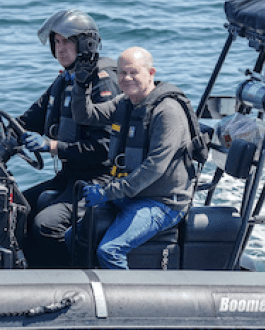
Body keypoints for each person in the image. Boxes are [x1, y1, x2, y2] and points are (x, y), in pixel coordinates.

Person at [12, 9, 120, 268]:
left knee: (45, 224)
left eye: (67, 41)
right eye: (57, 42)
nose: (61, 49)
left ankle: (71, 279)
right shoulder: (64, 82)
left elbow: (104, 148)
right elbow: (26, 121)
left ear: (85, 44)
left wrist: (54, 146)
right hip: (70, 176)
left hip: (99, 180)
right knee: (16, 206)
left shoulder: (103, 84)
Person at [70, 46, 196, 269]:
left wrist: (108, 192)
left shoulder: (167, 111)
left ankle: (124, 301)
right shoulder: (125, 103)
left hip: (162, 202)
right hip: (131, 194)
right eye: (121, 73)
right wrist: (81, 85)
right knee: (74, 235)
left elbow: (154, 168)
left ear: (151, 73)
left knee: (110, 251)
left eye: (134, 72)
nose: (126, 78)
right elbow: (85, 115)